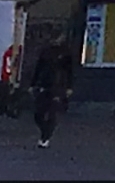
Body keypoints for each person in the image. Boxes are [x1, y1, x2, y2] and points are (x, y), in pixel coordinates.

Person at [25, 18, 74, 147]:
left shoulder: (66, 52)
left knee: (52, 112)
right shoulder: (46, 51)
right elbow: (39, 67)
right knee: (38, 114)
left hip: (58, 85)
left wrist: (69, 86)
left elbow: (70, 70)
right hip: (44, 84)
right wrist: (33, 84)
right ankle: (44, 131)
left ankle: (45, 137)